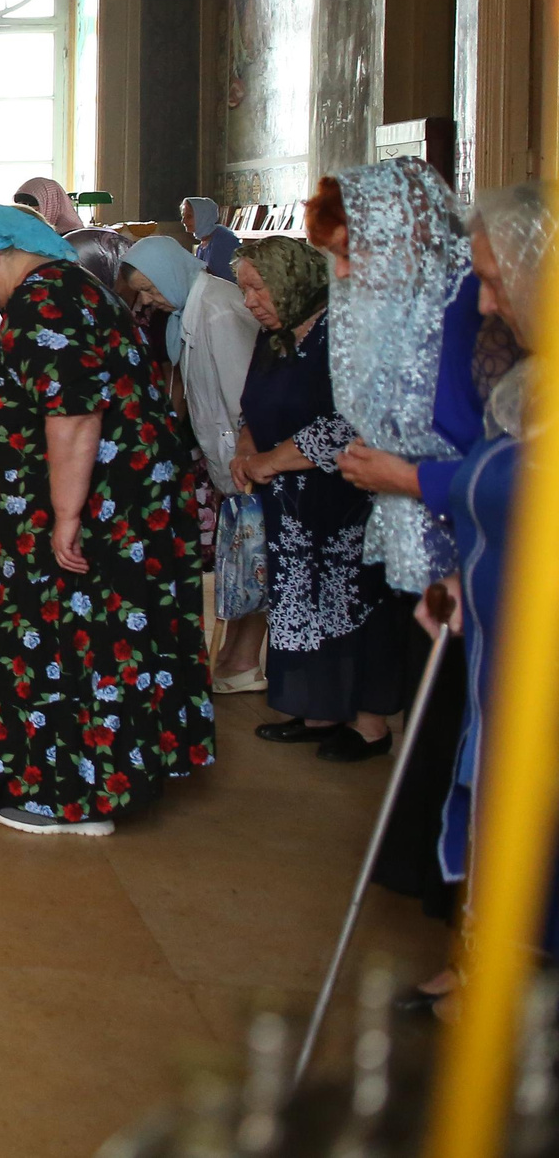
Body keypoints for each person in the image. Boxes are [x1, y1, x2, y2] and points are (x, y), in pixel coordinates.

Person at [0, 203, 214, 835]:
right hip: (117, 502)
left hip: (89, 507)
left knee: (64, 640)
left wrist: (65, 515)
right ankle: (99, 790)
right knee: (102, 643)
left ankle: (65, 796)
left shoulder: (46, 301)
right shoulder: (72, 287)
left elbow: (73, 416)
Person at [342, 183, 548, 1003]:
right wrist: (467, 571)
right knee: (496, 790)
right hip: (496, 611)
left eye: (497, 280)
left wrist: (411, 475)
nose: (484, 302)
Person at [230, 236, 401, 763]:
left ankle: (369, 725)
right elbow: (250, 404)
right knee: (299, 606)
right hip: (290, 503)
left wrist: (269, 461)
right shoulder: (276, 336)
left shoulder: (345, 333)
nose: (251, 301)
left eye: (259, 288)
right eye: (245, 290)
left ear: (293, 280)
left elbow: (346, 423)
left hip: (342, 500)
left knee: (349, 606)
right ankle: (319, 709)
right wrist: (244, 449)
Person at [118, 234, 265, 690]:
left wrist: (243, 455)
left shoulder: (218, 309)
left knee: (255, 562)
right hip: (226, 457)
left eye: (150, 287)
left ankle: (243, 662)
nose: (148, 300)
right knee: (240, 561)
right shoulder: (189, 310)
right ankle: (233, 657)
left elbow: (245, 393)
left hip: (244, 458)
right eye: (141, 292)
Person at [324, 159, 468, 597]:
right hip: (425, 548)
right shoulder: (411, 309)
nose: (343, 273)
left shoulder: (472, 306)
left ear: (403, 236)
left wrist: (406, 476)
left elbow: (514, 458)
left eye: (351, 253)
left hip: (480, 551)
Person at [184, 196, 241, 281]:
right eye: (183, 216)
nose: (183, 221)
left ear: (203, 216)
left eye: (189, 216)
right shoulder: (202, 245)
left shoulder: (224, 241)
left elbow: (227, 280)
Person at [11, 176, 85, 233]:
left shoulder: (75, 238)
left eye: (31, 204)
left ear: (51, 204)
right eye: (20, 205)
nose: (25, 212)